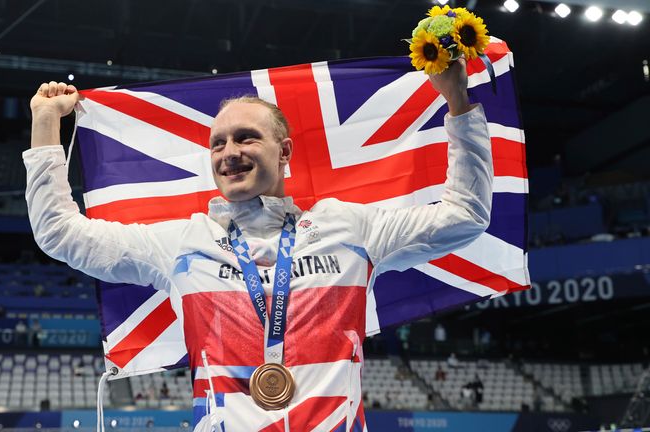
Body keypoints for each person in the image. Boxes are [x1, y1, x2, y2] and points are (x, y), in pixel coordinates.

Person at [24, 57, 493, 431]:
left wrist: (457, 102)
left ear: (284, 151)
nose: (229, 153)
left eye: (246, 138)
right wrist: (45, 125)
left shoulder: (350, 229)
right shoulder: (182, 244)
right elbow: (61, 234)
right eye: (218, 144)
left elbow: (465, 215)